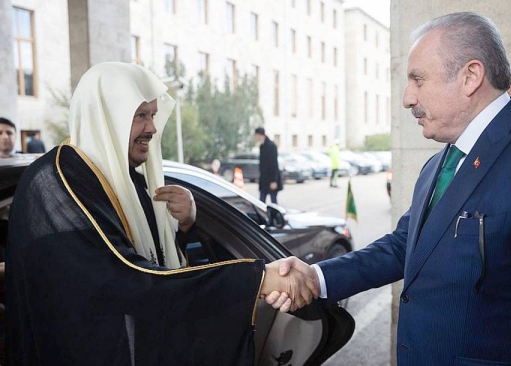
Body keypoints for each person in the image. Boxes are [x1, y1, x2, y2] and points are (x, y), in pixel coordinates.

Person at [267, 12, 511, 365]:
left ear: (470, 76)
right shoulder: (438, 165)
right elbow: (403, 247)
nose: (408, 98)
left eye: (418, 79)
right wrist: (316, 278)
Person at [6, 62, 316, 366]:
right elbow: (126, 278)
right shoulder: (58, 181)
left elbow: (160, 265)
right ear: (106, 116)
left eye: (152, 115)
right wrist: (258, 278)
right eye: (140, 115)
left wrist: (186, 225)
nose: (152, 128)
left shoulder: (125, 179)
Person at [254, 127, 281, 203]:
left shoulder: (271, 146)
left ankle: (275, 215)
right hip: (264, 179)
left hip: (271, 178)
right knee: (261, 201)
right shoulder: (262, 146)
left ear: (259, 135)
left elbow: (274, 164)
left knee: (273, 202)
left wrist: (274, 180)